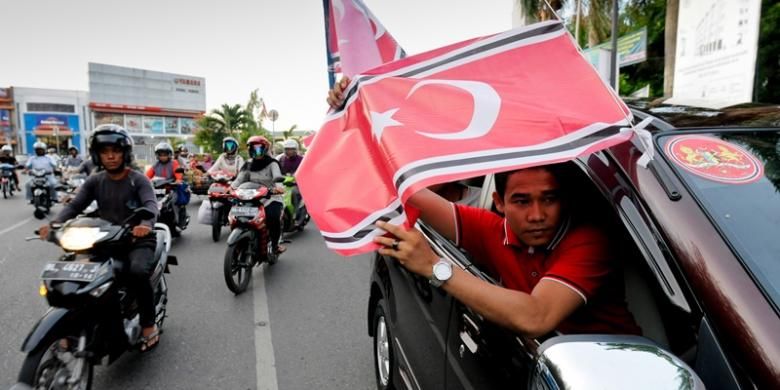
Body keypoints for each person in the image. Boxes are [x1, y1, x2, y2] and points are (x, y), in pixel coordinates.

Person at [328, 78, 640, 337]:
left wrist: (434, 266)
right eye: (521, 201)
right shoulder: (491, 230)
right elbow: (408, 189)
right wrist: (354, 111)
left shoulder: (587, 241)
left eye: (549, 199)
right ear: (499, 203)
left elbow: (537, 316)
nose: (537, 215)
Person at [37, 124, 162, 351]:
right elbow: (75, 205)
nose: (111, 156)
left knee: (136, 272)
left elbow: (151, 205)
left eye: (116, 150)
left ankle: (148, 324)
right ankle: (73, 321)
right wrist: (53, 225)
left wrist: (144, 224)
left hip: (136, 239)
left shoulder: (138, 179)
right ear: (97, 155)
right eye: (105, 151)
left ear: (125, 153)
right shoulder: (95, 180)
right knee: (73, 271)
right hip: (104, 238)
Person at [231, 136, 286, 254]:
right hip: (251, 196)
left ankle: (275, 246)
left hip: (270, 197)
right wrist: (231, 188)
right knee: (237, 215)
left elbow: (277, 178)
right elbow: (239, 180)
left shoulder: (272, 163)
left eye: (259, 148)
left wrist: (279, 187)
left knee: (273, 217)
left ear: (265, 149)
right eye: (253, 148)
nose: (256, 151)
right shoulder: (248, 164)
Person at [146, 142, 187, 226]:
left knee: (173, 201)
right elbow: (147, 176)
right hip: (158, 190)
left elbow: (178, 173)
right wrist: (143, 182)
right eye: (160, 154)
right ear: (157, 155)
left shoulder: (174, 163)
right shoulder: (155, 165)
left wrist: (178, 180)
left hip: (171, 188)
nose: (163, 156)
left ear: (169, 154)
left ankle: (177, 220)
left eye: (165, 154)